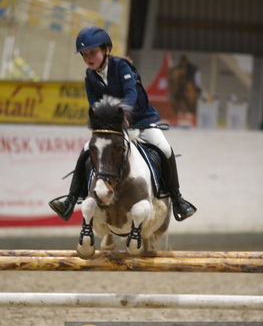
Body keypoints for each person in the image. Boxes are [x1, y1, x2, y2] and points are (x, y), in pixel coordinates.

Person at [49, 26, 196, 222]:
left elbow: (131, 94)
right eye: (84, 55)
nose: (88, 58)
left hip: (142, 122)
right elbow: (95, 103)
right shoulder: (89, 77)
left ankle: (177, 200)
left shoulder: (121, 67)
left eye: (92, 52)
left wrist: (122, 113)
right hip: (114, 128)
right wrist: (103, 121)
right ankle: (71, 198)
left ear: (105, 50)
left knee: (165, 149)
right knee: (86, 151)